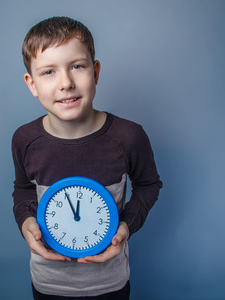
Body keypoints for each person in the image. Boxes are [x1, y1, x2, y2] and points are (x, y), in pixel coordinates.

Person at [12, 16, 162, 299]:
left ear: (95, 71)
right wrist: (25, 222)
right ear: (31, 84)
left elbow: (148, 185)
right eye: (48, 72)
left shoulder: (128, 137)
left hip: (109, 283)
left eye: (77, 66)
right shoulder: (25, 140)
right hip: (48, 283)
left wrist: (125, 226)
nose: (65, 83)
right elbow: (22, 191)